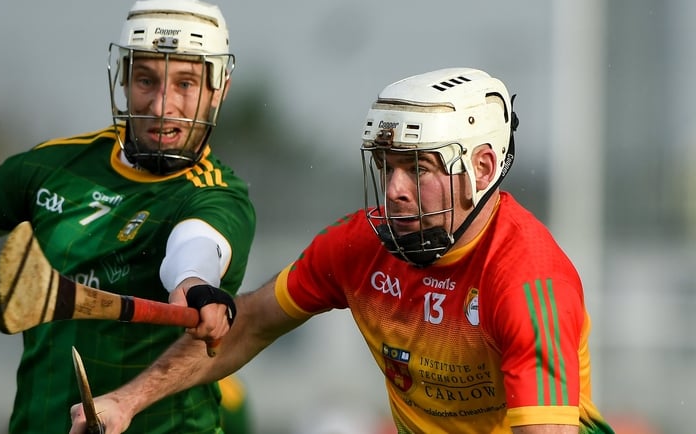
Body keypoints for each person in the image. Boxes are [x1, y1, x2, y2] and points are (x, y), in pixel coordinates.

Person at [70, 67, 616, 433]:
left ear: (482, 170)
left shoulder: (526, 279)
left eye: (418, 168)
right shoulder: (361, 244)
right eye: (388, 167)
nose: (395, 189)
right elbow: (251, 323)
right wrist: (127, 402)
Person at [0, 0, 255, 434]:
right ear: (123, 78)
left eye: (185, 84)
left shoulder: (219, 197)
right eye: (147, 80)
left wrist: (195, 285)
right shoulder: (48, 169)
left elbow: (196, 245)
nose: (163, 106)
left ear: (220, 90)